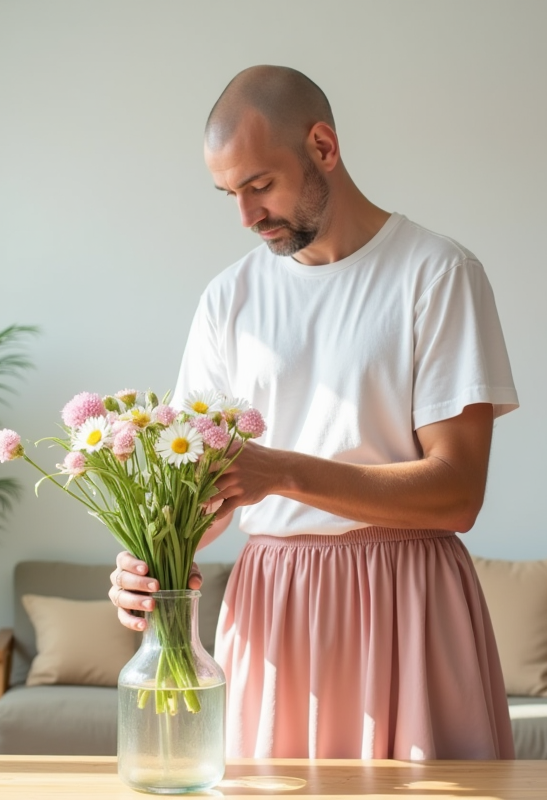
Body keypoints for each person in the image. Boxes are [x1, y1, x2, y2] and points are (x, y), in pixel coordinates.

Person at [108, 65, 518, 761]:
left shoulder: (438, 275)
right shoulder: (228, 300)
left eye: (260, 185)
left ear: (323, 147)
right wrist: (149, 564)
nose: (246, 215)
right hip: (273, 610)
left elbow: (458, 492)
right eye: (229, 194)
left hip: (408, 603)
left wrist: (281, 473)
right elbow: (201, 494)